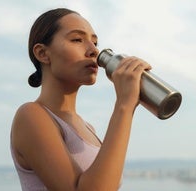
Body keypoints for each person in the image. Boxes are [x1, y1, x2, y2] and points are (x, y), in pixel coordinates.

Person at [10, 8, 151, 191]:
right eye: (77, 39)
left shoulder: (87, 128)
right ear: (42, 53)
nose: (93, 51)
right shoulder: (30, 115)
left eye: (95, 42)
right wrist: (124, 106)